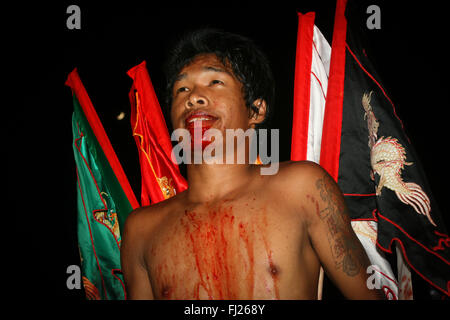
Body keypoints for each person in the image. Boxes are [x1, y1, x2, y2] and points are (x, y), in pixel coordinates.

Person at [120, 29, 385, 300]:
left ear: (256, 111)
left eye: (214, 82)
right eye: (182, 88)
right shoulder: (142, 229)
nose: (193, 97)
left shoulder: (302, 188)